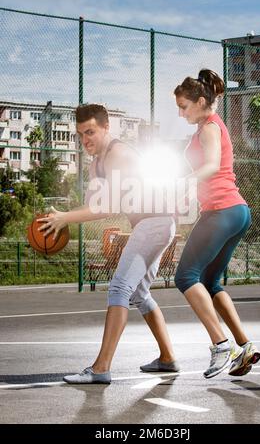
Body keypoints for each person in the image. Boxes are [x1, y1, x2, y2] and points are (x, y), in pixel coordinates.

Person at [38, 103, 179, 384]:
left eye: (90, 132)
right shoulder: (96, 164)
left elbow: (109, 206)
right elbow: (94, 206)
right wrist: (64, 218)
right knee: (138, 293)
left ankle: (101, 368)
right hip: (151, 224)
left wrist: (66, 218)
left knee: (119, 288)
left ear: (106, 127)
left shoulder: (119, 154)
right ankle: (167, 358)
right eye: (80, 135)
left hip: (155, 221)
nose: (85, 139)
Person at [173, 69, 260, 378]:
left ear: (199, 102)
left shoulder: (209, 126)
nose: (181, 113)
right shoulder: (209, 122)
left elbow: (211, 165)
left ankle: (221, 344)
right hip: (236, 211)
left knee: (185, 277)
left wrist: (184, 182)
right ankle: (244, 345)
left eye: (184, 107)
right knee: (209, 283)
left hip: (222, 211)